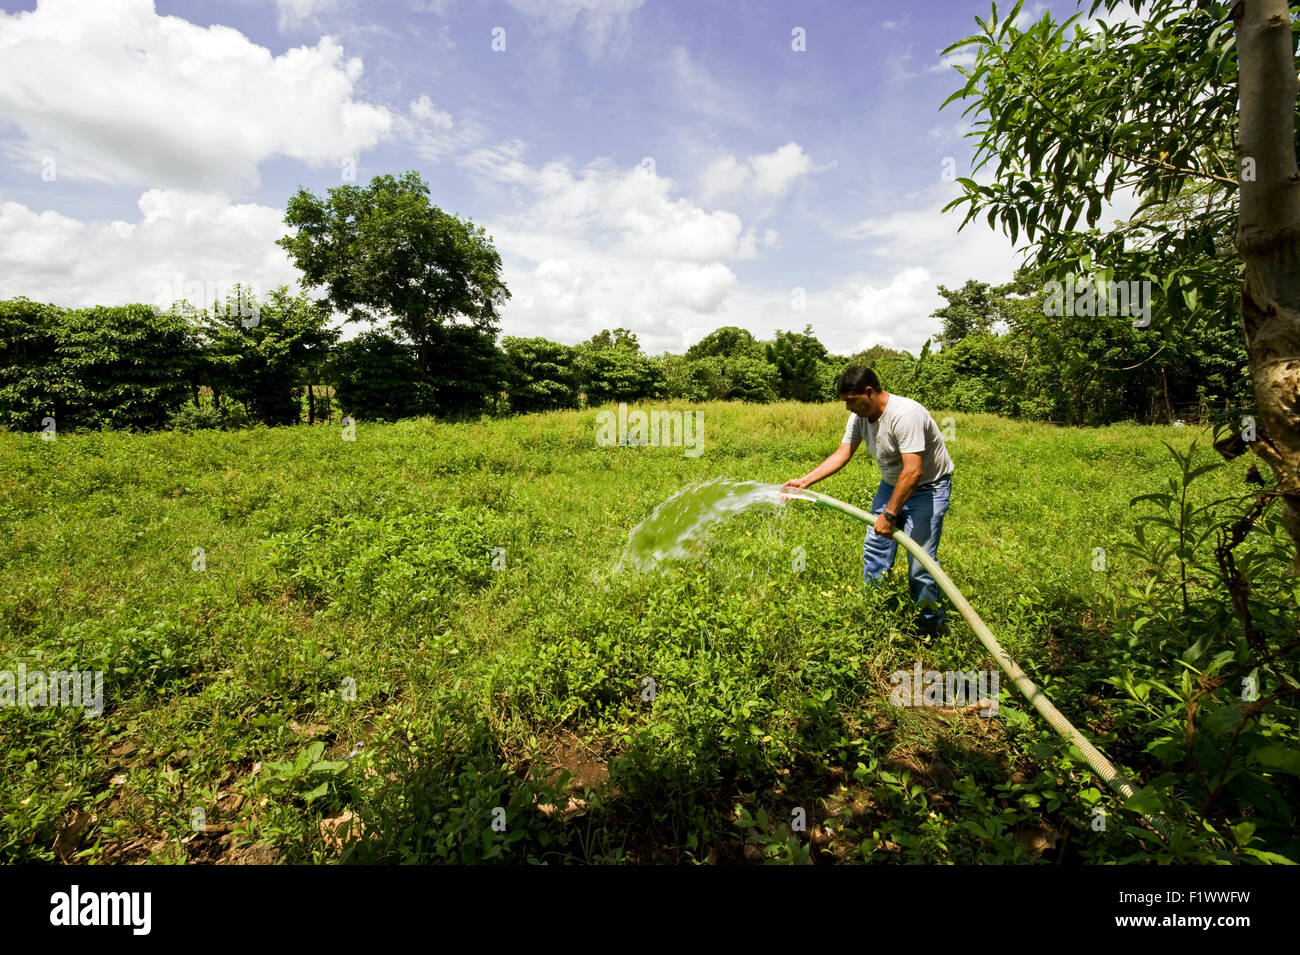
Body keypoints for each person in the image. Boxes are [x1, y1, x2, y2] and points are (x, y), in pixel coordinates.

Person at [782, 366, 955, 635]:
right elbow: (842, 453)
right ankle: (875, 614)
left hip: (927, 488)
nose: (848, 408)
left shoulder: (905, 415)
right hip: (891, 485)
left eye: (851, 401)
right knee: (875, 548)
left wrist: (889, 515)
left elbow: (913, 471)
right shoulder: (859, 417)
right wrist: (804, 482)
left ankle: (930, 627)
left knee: (921, 564)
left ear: (869, 392)